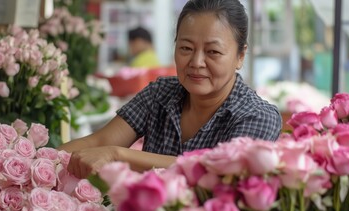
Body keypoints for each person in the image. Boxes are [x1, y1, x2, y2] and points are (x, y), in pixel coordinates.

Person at [58, 0, 282, 179]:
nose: (196, 62)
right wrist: (42, 159)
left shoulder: (258, 116)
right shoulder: (160, 93)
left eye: (213, 52)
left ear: (240, 56)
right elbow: (99, 142)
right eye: (186, 48)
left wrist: (118, 155)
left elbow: (218, 173)